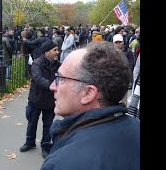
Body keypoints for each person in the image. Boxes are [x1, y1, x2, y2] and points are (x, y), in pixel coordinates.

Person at [41, 41, 139, 170]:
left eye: (61, 78)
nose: (53, 86)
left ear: (88, 93)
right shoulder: (135, 126)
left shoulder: (65, 163)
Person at [20, 41, 61, 159]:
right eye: (55, 50)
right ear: (47, 52)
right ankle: (30, 142)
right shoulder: (37, 63)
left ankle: (45, 145)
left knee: (48, 125)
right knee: (32, 122)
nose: (57, 52)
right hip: (36, 99)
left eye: (57, 50)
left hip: (50, 101)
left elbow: (63, 78)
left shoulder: (59, 65)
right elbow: (38, 78)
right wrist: (52, 86)